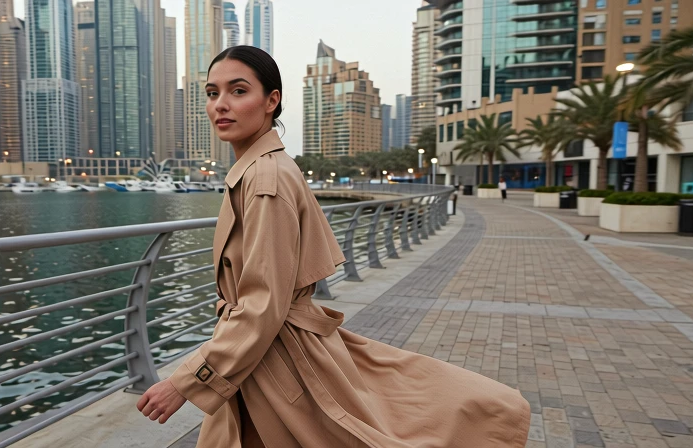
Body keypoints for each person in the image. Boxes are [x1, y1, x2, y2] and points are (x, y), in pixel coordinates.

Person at [136, 46, 530, 447]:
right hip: (260, 357)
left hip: (276, 362)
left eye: (238, 91)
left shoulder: (266, 179)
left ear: (271, 101)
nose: (221, 104)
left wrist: (185, 382)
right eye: (212, 92)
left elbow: (263, 305)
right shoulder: (262, 170)